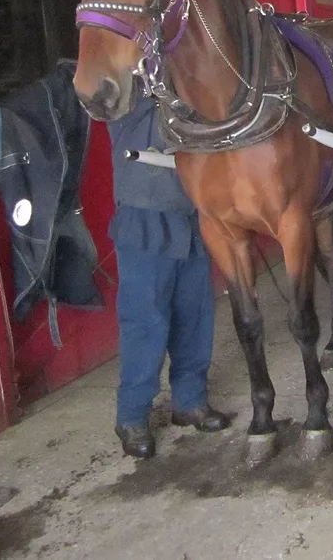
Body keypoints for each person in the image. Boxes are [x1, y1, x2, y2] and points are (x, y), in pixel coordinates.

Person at [107, 88, 231, 458]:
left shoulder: (184, 81)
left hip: (190, 214)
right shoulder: (119, 89)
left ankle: (189, 401)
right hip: (143, 218)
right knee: (145, 320)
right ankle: (132, 416)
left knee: (195, 314)